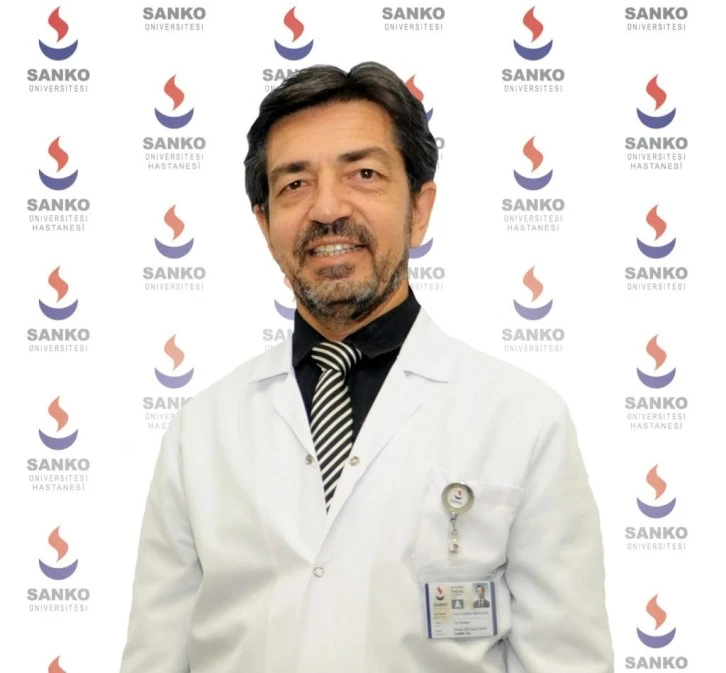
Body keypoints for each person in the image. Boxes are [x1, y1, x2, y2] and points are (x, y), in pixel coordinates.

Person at [119, 61, 613, 673]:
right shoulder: (199, 432)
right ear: (265, 223)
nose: (327, 208)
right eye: (295, 184)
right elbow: (155, 658)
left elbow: (566, 661)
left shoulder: (522, 418)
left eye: (364, 174)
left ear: (420, 208)